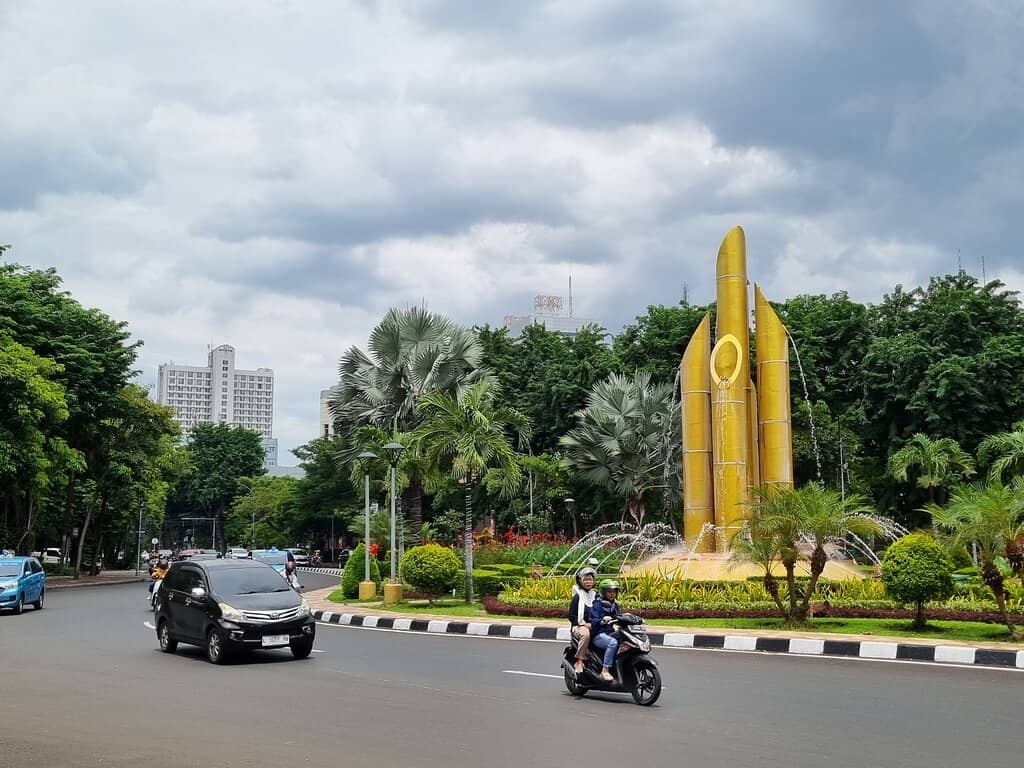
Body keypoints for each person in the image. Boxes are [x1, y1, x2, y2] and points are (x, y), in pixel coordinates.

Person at [589, 579, 623, 682]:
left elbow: (620, 617)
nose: (612, 594)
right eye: (609, 591)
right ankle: (605, 670)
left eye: (614, 591)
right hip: (598, 634)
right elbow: (593, 621)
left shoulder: (615, 605)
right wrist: (602, 620)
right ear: (604, 592)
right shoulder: (597, 604)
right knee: (612, 643)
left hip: (610, 633)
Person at [567, 567, 597, 675]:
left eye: (590, 579)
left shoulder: (596, 596)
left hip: (595, 625)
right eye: (586, 579)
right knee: (586, 635)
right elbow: (571, 615)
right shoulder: (577, 596)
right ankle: (579, 661)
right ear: (580, 581)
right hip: (579, 626)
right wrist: (583, 624)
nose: (588, 582)